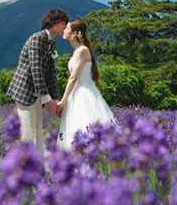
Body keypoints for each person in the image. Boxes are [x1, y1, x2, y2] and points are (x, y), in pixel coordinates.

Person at [7, 9, 68, 154]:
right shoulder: (37, 39)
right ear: (52, 22)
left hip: (37, 93)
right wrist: (47, 100)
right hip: (25, 91)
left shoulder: (50, 43)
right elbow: (36, 71)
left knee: (38, 132)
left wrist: (55, 100)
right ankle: (24, 171)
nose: (65, 27)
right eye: (62, 23)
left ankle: (38, 169)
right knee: (27, 132)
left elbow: (51, 75)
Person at [55, 19, 115, 151]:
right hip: (77, 93)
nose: (64, 30)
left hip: (83, 92)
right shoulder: (77, 51)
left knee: (85, 127)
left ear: (74, 34)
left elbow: (73, 78)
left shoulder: (82, 50)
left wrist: (63, 101)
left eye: (67, 28)